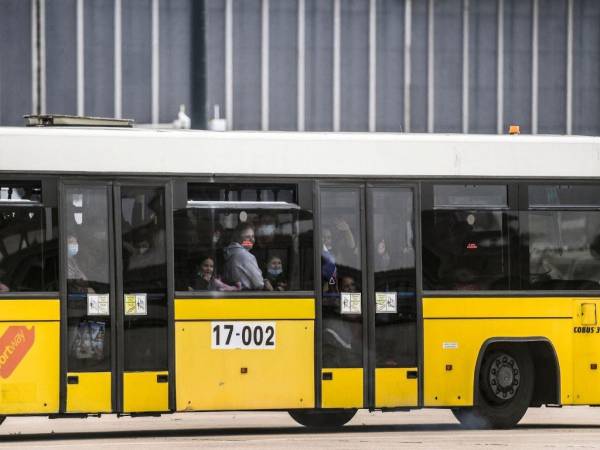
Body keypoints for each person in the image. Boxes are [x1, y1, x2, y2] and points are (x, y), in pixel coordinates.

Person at [223, 223, 273, 290]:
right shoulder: (245, 256)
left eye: (253, 236)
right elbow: (259, 283)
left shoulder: (230, 252)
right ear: (238, 238)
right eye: (247, 237)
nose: (252, 240)